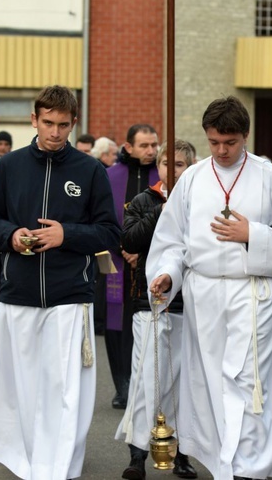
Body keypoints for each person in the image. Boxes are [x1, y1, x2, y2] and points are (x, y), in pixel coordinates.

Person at [146, 96, 272, 480]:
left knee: (247, 382)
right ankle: (225, 461)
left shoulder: (270, 177)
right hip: (204, 295)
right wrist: (168, 275)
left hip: (254, 292)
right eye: (214, 142)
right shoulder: (191, 178)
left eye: (231, 143)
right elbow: (173, 241)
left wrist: (252, 234)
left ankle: (248, 467)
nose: (222, 151)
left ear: (246, 136)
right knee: (211, 382)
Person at [0, 85, 121, 479]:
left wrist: (67, 234)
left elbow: (108, 232)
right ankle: (28, 458)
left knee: (63, 392)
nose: (54, 132)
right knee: (21, 390)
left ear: (73, 123)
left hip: (70, 296)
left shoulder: (90, 170)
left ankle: (56, 466)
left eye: (63, 125)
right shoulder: (8, 166)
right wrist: (12, 236)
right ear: (33, 120)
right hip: (18, 295)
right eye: (47, 123)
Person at [115, 140, 197, 480]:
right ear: (158, 166)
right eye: (167, 163)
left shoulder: (200, 200)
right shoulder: (143, 201)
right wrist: (160, 212)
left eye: (180, 164)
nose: (172, 170)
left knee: (184, 383)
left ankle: (182, 454)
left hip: (190, 304)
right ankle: (138, 453)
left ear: (191, 166)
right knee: (149, 377)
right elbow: (130, 240)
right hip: (148, 302)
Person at [105, 123, 160, 409]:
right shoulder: (110, 176)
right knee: (118, 323)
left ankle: (145, 382)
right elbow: (102, 217)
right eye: (144, 146)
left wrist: (142, 250)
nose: (151, 151)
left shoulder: (163, 176)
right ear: (128, 147)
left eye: (154, 145)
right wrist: (124, 248)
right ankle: (121, 384)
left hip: (152, 261)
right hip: (117, 261)